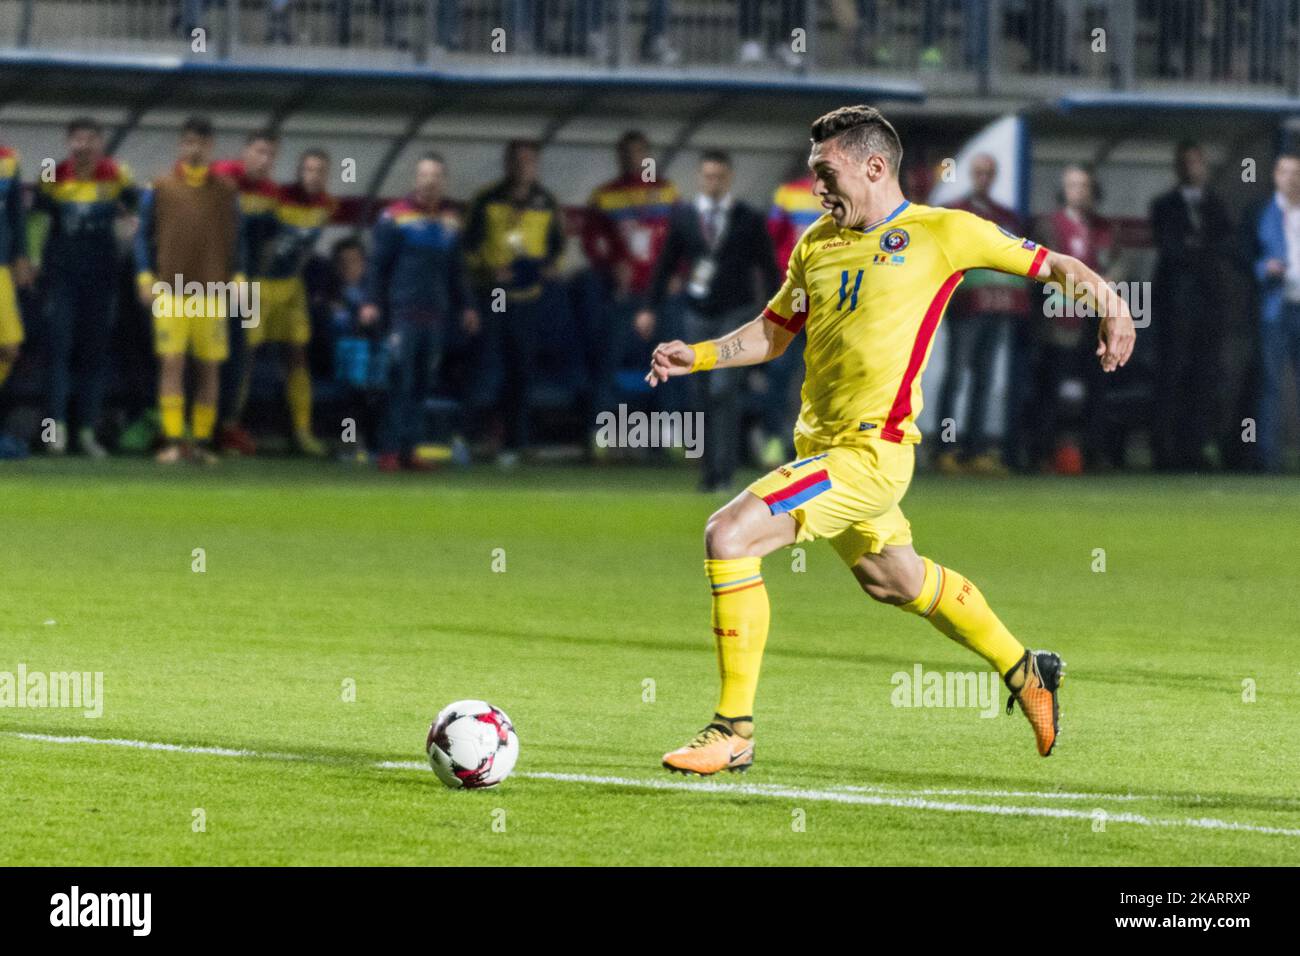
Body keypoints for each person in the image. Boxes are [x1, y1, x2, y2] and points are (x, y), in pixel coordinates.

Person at [645, 105, 1135, 774]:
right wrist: (695, 356)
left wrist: (1110, 303)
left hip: (869, 456)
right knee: (893, 579)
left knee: (729, 534)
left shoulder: (943, 232)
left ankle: (733, 731)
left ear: (875, 167)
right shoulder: (816, 242)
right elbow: (773, 330)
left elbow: (1054, 266)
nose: (816, 188)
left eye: (826, 172)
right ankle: (1027, 670)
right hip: (819, 450)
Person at [640, 150, 780, 492]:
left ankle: (726, 469)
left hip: (736, 315)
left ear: (729, 177)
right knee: (700, 393)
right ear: (700, 178)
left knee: (723, 389)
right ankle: (709, 473)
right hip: (697, 314)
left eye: (718, 176)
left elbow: (769, 267)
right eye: (707, 176)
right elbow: (666, 265)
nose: (712, 182)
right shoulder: (685, 217)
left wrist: (780, 313)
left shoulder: (748, 218)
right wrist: (649, 307)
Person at [134, 116, 241, 465]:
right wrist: (144, 276)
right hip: (172, 288)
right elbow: (141, 235)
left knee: (209, 367)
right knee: (172, 362)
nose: (196, 148)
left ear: (211, 147)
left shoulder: (226, 190)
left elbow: (236, 238)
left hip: (210, 289)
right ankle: (173, 439)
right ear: (182, 145)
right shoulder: (160, 186)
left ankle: (203, 442)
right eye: (190, 142)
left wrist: (238, 275)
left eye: (203, 143)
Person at [362, 153, 479, 472]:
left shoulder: (451, 222)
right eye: (424, 175)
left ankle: (408, 449)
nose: (429, 181)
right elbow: (377, 265)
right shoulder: (394, 217)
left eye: (436, 176)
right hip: (403, 313)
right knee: (400, 380)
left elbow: (458, 270)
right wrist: (370, 301)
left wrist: (467, 305)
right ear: (416, 179)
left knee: (422, 384)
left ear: (444, 181)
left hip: (436, 316)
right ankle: (387, 449)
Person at [35, 117, 137, 458]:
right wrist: (33, 263)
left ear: (100, 143)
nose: (84, 145)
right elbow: (37, 221)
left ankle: (87, 433)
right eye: (78, 139)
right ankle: (54, 433)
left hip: (102, 282)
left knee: (95, 358)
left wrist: (129, 232)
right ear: (68, 142)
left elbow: (139, 214)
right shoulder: (51, 171)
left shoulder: (118, 174)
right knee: (57, 356)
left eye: (91, 139)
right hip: (61, 281)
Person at [463, 139, 564, 467]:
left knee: (522, 369)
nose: (523, 167)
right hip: (494, 294)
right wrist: (488, 267)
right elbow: (467, 247)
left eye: (529, 161)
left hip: (529, 297)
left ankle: (517, 441)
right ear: (507, 164)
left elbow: (558, 248)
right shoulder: (486, 199)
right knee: (488, 366)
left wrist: (548, 267)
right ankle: (477, 437)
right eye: (517, 161)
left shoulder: (547, 201)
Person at [581, 131, 679, 449]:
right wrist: (610, 266)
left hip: (661, 295)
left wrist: (680, 274)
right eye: (625, 153)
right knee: (608, 358)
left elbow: (685, 239)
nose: (632, 159)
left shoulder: (666, 192)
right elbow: (590, 242)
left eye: (638, 153)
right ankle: (602, 433)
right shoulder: (605, 195)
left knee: (672, 362)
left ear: (648, 155)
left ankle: (671, 435)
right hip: (624, 297)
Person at [933, 152, 1029, 476]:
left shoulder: (1007, 216)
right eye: (979, 172)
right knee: (956, 376)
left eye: (990, 172)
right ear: (971, 175)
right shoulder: (955, 212)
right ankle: (946, 447)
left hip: (999, 307)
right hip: (965, 307)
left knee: (985, 381)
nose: (984, 178)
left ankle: (976, 450)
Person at [236, 148, 336, 455]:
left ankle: (302, 432)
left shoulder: (328, 205)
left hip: (292, 287)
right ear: (299, 171)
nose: (313, 176)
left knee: (296, 355)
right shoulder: (277, 199)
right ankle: (228, 425)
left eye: (319, 170)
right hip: (258, 287)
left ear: (327, 174)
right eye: (308, 169)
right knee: (245, 357)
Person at [1149, 141, 1232, 472]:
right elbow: (1170, 249)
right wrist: (1200, 251)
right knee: (1170, 377)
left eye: (1196, 162)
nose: (1191, 168)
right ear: (1177, 168)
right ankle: (1163, 450)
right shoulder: (1163, 205)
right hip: (1174, 306)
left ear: (1204, 166)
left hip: (1209, 307)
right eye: (1184, 163)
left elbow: (1226, 244)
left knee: (1203, 378)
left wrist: (1195, 249)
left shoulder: (1217, 205)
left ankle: (1194, 449)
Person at [1031, 164, 1117, 472]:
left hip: (1094, 325)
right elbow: (1040, 267)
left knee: (1097, 390)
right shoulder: (1048, 226)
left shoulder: (1103, 228)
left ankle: (1093, 455)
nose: (1078, 191)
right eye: (1072, 185)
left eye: (1084, 185)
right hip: (1059, 321)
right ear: (1063, 190)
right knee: (1052, 390)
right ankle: (1041, 455)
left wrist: (1109, 280)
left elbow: (1119, 263)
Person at [212, 130, 281, 456]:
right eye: (259, 152)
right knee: (206, 353)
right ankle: (196, 425)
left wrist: (259, 285)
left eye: (270, 154)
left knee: (239, 357)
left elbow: (268, 244)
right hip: (211, 282)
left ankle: (227, 424)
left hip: (248, 286)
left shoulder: (270, 193)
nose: (264, 160)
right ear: (245, 152)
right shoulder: (224, 175)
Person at [1248, 152, 1300, 473]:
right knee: (1271, 383)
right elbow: (1245, 254)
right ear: (1275, 176)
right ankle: (1268, 459)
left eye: (1297, 172)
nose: (1292, 178)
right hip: (1276, 309)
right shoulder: (1262, 213)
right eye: (1286, 172)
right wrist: (1263, 267)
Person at [0, 140, 32, 458]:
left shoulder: (8, 161)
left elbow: (15, 214)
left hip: (1, 267)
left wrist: (21, 255)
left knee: (9, 347)